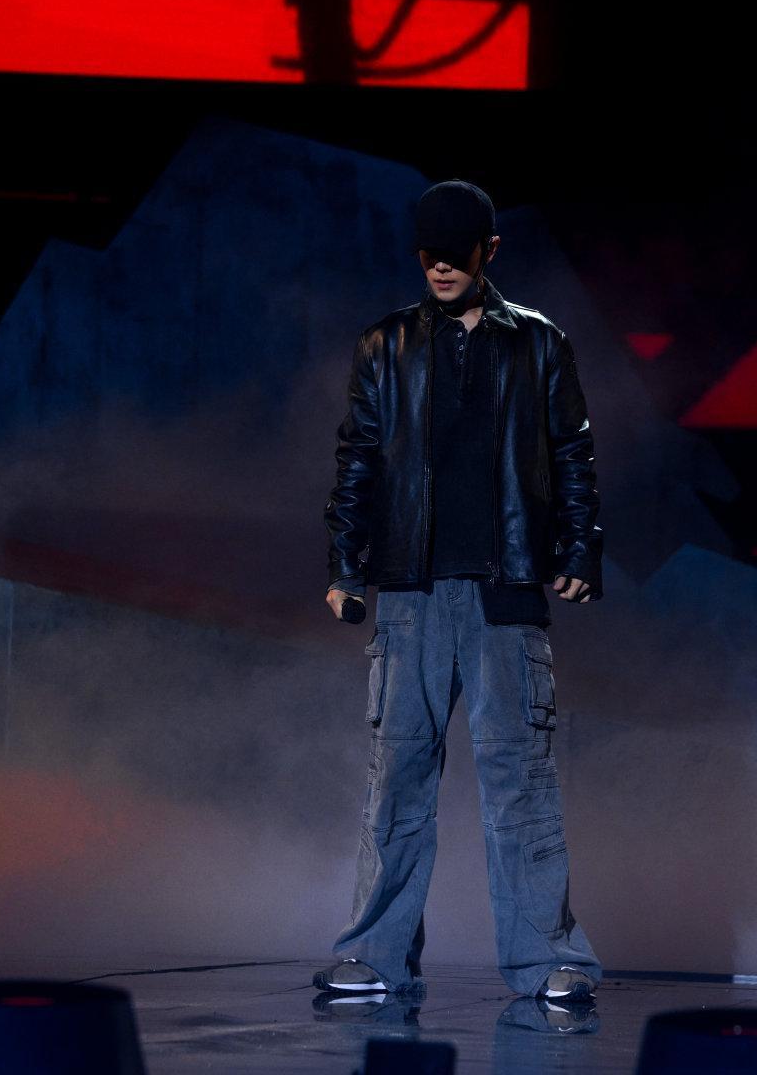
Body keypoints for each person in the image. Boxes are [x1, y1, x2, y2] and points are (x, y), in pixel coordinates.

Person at [314, 179, 605, 1005]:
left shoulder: (539, 343)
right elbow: (357, 459)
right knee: (397, 777)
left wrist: (580, 548)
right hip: (409, 592)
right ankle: (374, 956)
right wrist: (344, 567)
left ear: (488, 251)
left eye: (455, 254)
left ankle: (548, 959)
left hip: (503, 593)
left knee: (520, 781)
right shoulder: (386, 344)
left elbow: (573, 453)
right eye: (428, 255)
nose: (440, 268)